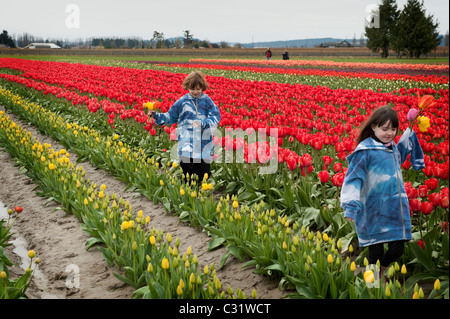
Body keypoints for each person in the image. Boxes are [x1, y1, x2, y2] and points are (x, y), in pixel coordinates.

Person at [340, 105, 425, 280]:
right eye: (384, 129)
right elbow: (353, 179)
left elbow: (398, 158)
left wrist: (408, 136)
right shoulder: (365, 151)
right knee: (375, 252)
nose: (389, 133)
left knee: (397, 248)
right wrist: (350, 206)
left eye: (393, 129)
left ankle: (381, 271)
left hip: (394, 209)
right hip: (373, 210)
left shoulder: (392, 148)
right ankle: (373, 287)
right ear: (373, 127)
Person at [148, 71, 221, 183]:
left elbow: (216, 116)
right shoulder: (182, 102)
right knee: (188, 173)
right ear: (187, 87)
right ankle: (189, 195)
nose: (196, 92)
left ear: (203, 88)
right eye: (193, 89)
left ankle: (201, 194)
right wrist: (156, 115)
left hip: (203, 144)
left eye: (198, 89)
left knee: (204, 173)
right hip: (186, 144)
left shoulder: (207, 101)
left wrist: (204, 124)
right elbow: (170, 117)